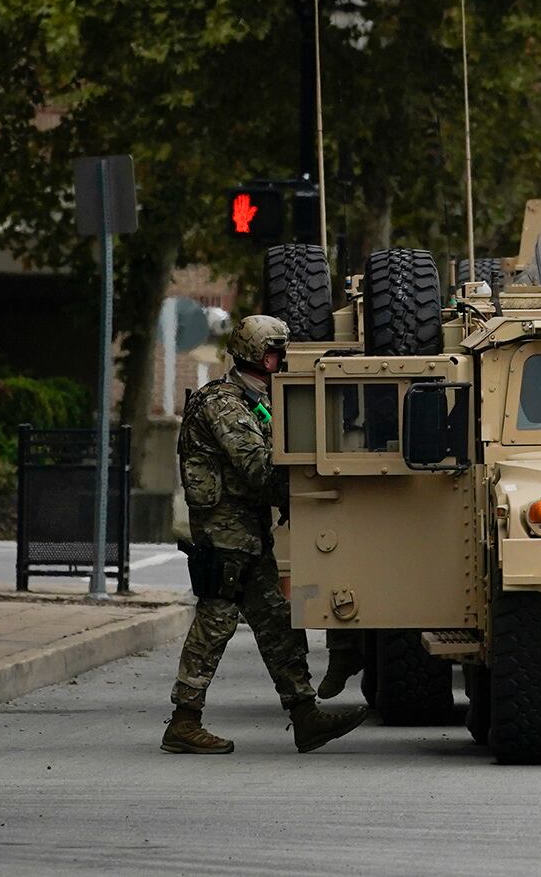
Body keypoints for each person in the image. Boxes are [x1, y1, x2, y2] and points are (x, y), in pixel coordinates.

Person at [161, 314, 367, 754]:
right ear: (254, 354)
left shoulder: (259, 400)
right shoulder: (225, 404)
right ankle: (183, 719)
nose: (280, 359)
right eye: (274, 352)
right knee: (215, 622)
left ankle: (304, 714)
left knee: (276, 621)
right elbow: (256, 466)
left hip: (249, 534)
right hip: (224, 535)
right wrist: (308, 478)